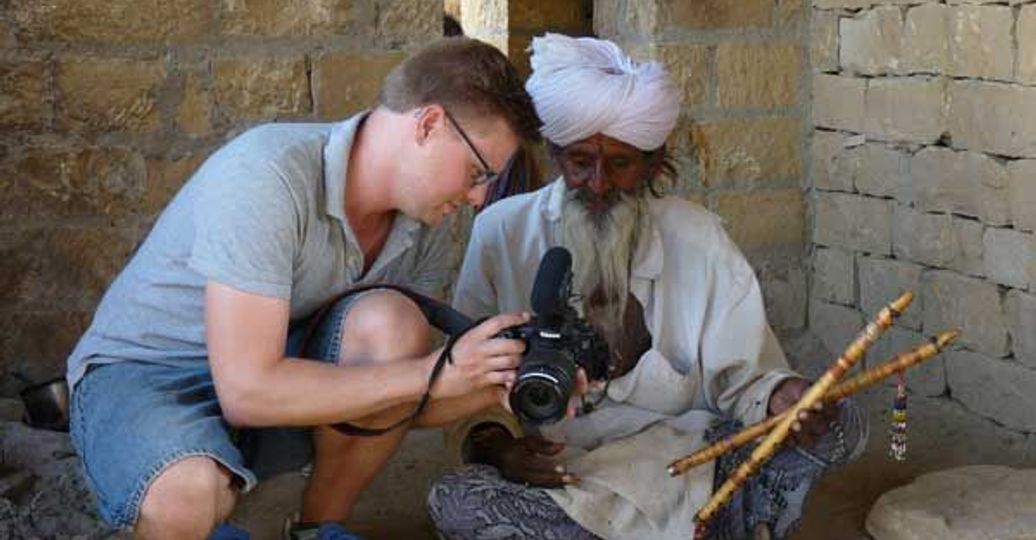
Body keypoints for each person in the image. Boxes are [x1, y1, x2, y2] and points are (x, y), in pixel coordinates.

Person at [66, 37, 542, 540]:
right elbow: (247, 391)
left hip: (279, 376)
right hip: (146, 375)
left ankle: (318, 528)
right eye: (478, 173)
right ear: (427, 125)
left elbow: (399, 398)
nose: (478, 197)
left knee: (393, 324)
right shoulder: (269, 174)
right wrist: (431, 372)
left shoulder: (428, 222)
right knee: (187, 492)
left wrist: (498, 381)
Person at [427, 33, 868, 540]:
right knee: (457, 498)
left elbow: (747, 377)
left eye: (620, 164)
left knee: (843, 423)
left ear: (653, 164)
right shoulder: (501, 231)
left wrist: (782, 396)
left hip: (688, 460)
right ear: (555, 155)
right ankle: (724, 525)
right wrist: (499, 448)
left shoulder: (699, 236)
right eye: (579, 163)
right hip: (559, 473)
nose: (598, 185)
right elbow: (465, 389)